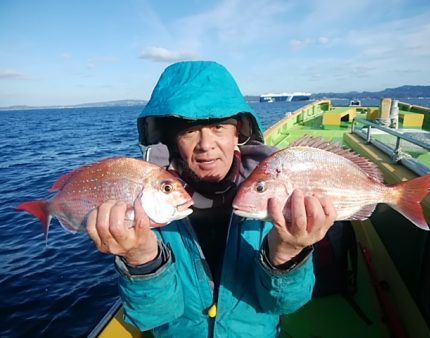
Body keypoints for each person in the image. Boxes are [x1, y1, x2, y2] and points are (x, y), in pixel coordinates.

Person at [86, 61, 336, 337]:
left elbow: (283, 303)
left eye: (218, 127)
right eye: (189, 130)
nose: (206, 145)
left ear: (238, 132)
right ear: (171, 139)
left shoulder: (272, 196)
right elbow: (153, 315)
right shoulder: (149, 202)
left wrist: (288, 252)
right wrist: (141, 258)